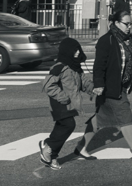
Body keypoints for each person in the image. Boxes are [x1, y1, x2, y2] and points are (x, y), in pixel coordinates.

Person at [83, 10, 132, 161]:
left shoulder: (128, 39)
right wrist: (98, 84)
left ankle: (81, 148)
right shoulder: (107, 40)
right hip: (110, 86)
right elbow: (99, 66)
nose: (129, 27)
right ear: (116, 23)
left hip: (123, 85)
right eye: (126, 24)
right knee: (125, 115)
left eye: (131, 24)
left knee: (99, 119)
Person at [39, 38, 94, 170]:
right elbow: (47, 85)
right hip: (59, 103)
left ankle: (52, 155)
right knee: (68, 125)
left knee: (61, 128)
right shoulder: (59, 67)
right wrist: (62, 97)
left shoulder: (76, 67)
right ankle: (48, 145)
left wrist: (94, 89)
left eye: (78, 50)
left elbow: (84, 82)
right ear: (67, 51)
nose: (77, 53)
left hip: (69, 103)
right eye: (74, 50)